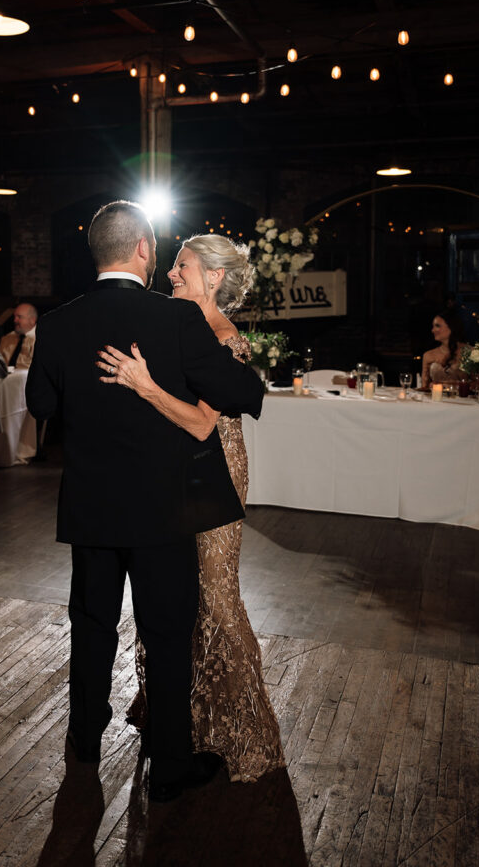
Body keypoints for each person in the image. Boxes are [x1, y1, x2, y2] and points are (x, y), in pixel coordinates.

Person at [26, 201, 264, 804]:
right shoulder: (176, 321)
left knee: (92, 624)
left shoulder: (57, 325)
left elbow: (41, 409)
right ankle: (172, 767)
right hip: (164, 511)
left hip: (91, 508)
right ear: (142, 249)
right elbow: (243, 392)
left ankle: (84, 739)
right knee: (167, 631)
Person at [97, 234, 285, 783]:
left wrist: (145, 385)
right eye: (174, 264)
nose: (172, 273)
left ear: (214, 278)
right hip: (172, 474)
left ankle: (246, 729)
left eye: (183, 266)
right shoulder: (175, 325)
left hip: (215, 475)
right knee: (181, 597)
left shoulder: (225, 341)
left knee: (218, 595)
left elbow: (203, 422)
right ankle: (190, 719)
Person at [420, 309, 469, 390]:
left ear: (452, 327)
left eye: (437, 326)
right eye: (433, 326)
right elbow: (424, 387)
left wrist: (446, 385)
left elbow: (478, 384)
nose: (433, 330)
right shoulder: (428, 355)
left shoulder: (471, 352)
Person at [0, 303, 38, 369]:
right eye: (14, 317)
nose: (15, 320)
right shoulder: (8, 338)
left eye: (19, 317)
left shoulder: (41, 339)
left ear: (32, 320)